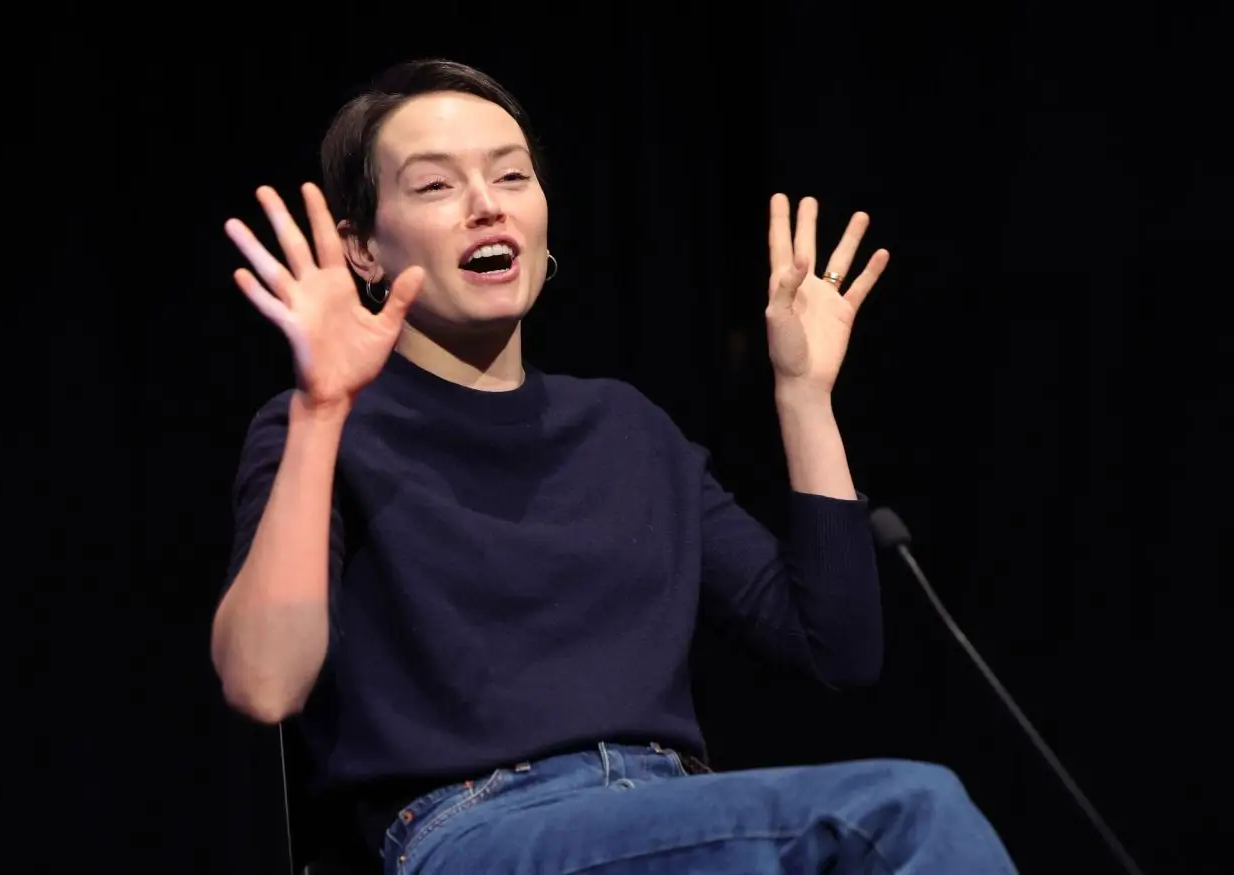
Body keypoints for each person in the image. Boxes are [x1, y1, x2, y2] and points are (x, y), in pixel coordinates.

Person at [212, 59, 1018, 874]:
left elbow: (836, 648)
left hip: (667, 812)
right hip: (476, 829)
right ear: (362, 250)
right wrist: (321, 411)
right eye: (434, 187)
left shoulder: (628, 428)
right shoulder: (324, 428)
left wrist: (804, 397)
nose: (487, 204)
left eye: (512, 175)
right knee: (901, 813)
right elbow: (264, 683)